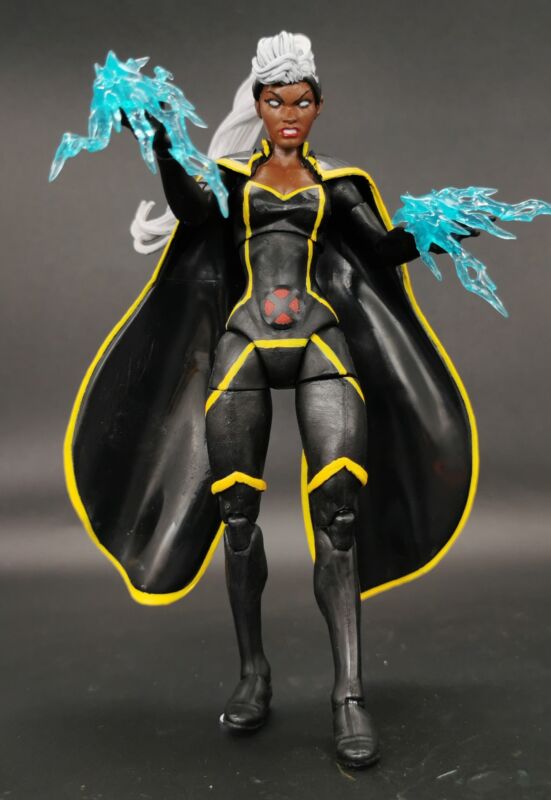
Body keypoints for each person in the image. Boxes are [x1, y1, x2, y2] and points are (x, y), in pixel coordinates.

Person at [65, 32, 478, 769]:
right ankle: (254, 672)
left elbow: (382, 251)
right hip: (245, 345)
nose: (290, 113)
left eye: (303, 101)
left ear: (318, 106)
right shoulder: (229, 179)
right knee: (238, 519)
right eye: (277, 100)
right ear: (258, 105)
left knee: (339, 517)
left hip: (320, 344)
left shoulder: (337, 186)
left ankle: (348, 694)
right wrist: (160, 142)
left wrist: (434, 231)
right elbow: (193, 211)